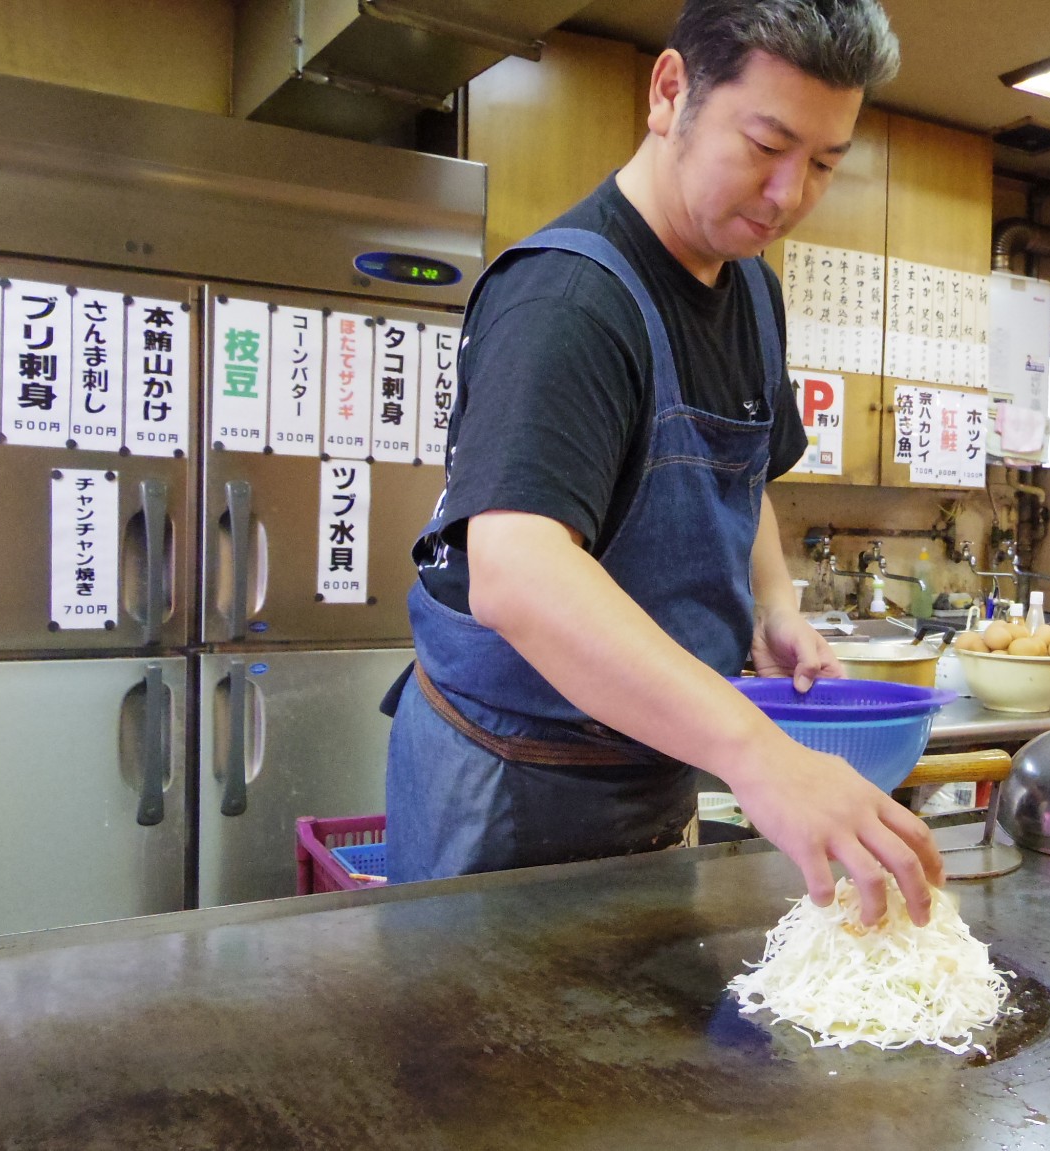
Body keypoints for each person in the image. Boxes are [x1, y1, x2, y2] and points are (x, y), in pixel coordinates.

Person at [384, 0, 942, 927]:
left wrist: (775, 605)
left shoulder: (753, 289)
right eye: (766, 145)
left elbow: (745, 474)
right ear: (670, 91)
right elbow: (519, 575)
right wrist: (760, 754)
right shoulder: (568, 301)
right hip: (508, 788)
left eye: (825, 164)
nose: (788, 195)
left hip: (651, 766)